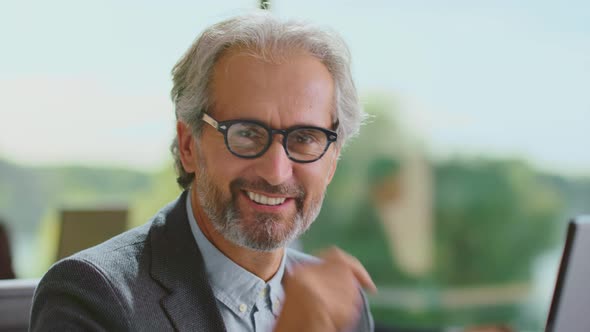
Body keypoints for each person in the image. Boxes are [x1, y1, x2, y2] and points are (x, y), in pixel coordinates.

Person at [30, 11, 376, 332]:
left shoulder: (342, 303)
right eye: (246, 133)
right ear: (188, 146)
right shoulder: (88, 294)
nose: (275, 172)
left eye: (304, 138)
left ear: (332, 159)